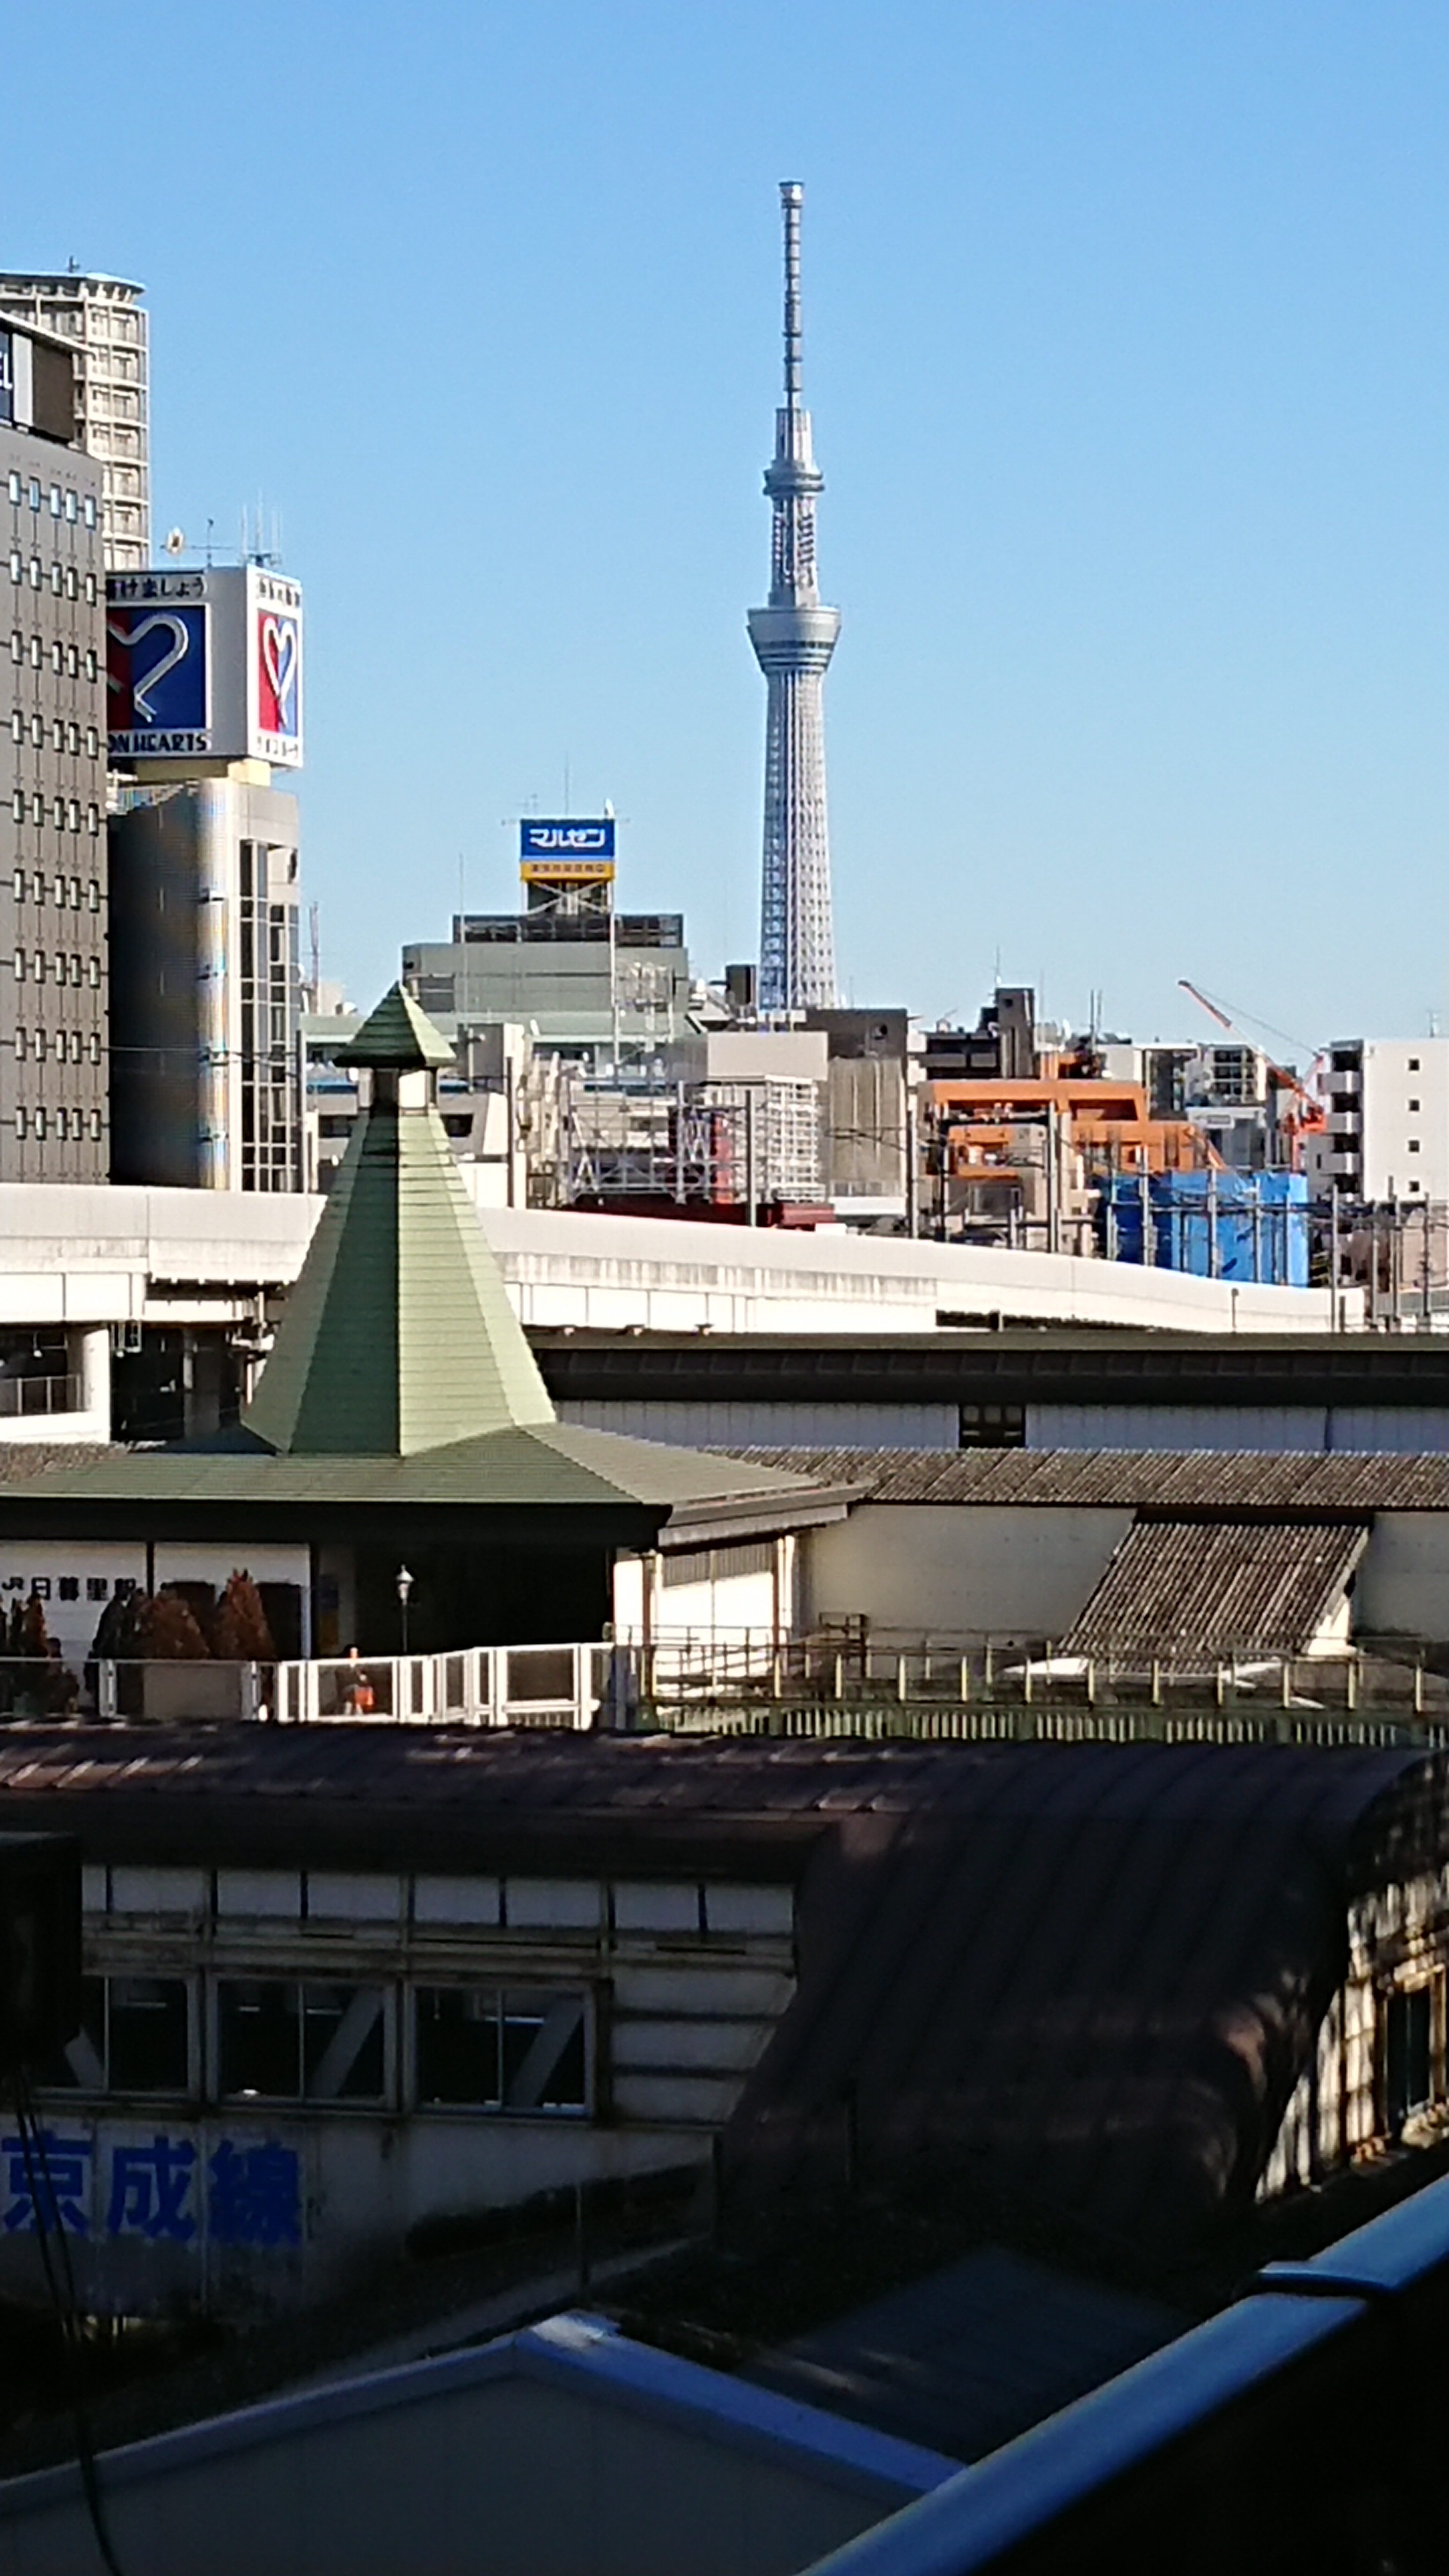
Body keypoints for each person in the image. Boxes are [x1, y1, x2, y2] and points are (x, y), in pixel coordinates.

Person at [340, 1646, 376, 1716]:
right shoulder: (343, 1666)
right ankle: (358, 1708)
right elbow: (342, 1680)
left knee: (358, 1690)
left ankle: (356, 1707)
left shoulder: (362, 1666)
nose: (354, 1654)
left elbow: (368, 1681)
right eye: (352, 1653)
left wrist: (364, 1679)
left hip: (359, 1690)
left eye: (355, 1653)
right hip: (346, 1689)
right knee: (355, 1689)